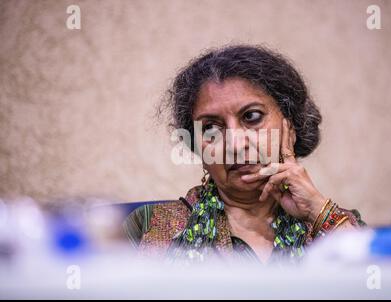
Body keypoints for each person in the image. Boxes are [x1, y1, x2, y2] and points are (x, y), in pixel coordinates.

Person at [124, 44, 365, 266]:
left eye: (251, 117)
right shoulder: (146, 227)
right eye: (210, 128)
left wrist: (318, 210)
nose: (236, 144)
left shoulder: (338, 228)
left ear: (290, 128)